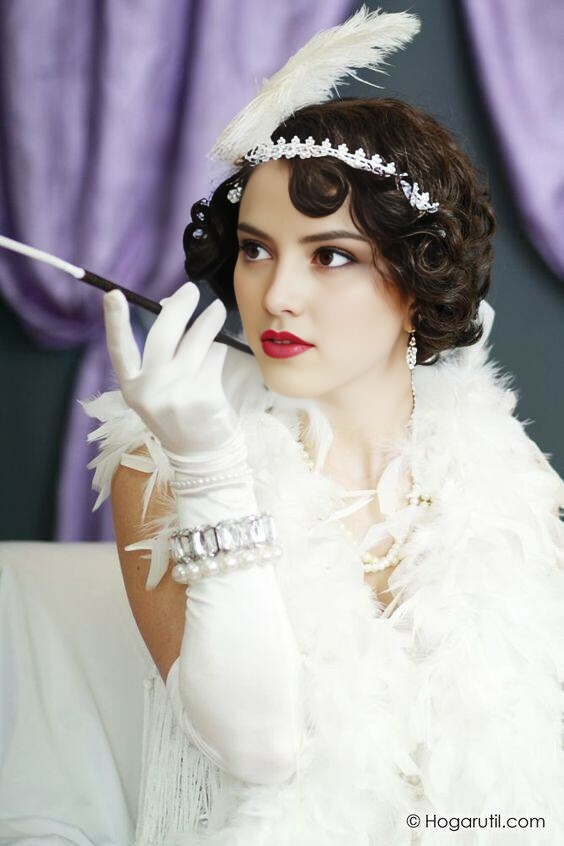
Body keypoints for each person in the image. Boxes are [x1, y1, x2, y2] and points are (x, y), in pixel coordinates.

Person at [82, 7, 564, 845]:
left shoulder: (511, 475)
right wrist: (209, 467)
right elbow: (260, 749)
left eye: (330, 254)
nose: (277, 294)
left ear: (418, 277)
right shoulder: (157, 461)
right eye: (256, 248)